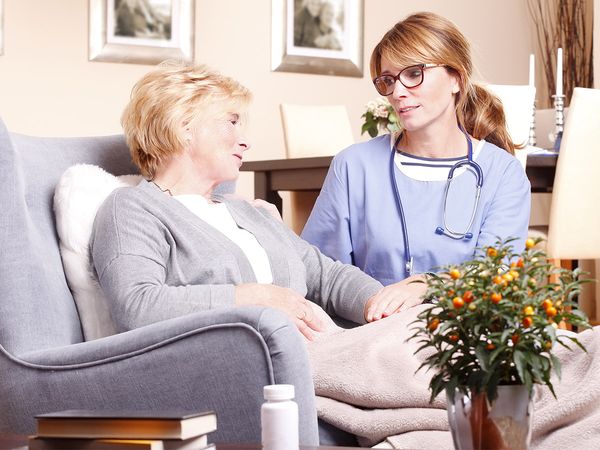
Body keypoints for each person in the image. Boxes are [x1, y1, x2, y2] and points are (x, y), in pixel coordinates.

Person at [90, 63, 417, 342]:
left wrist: (381, 304)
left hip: (328, 348)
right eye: (231, 121)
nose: (245, 140)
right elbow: (138, 306)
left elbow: (326, 275)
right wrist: (255, 297)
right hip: (255, 365)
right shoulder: (133, 209)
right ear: (183, 126)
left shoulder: (247, 211)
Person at [301, 12, 531, 294]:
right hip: (371, 329)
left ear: (456, 79)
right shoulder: (352, 166)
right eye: (388, 80)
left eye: (413, 73)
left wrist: (425, 288)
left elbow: (495, 283)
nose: (397, 91)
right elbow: (318, 273)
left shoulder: (503, 173)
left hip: (462, 333)